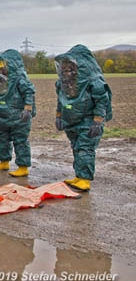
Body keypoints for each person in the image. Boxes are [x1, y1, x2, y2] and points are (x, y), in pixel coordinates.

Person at [55, 45, 112, 192]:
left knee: (85, 149)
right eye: (65, 69)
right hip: (72, 121)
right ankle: (79, 176)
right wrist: (59, 116)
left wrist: (98, 121)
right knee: (76, 147)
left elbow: (102, 101)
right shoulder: (65, 83)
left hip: (89, 121)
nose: (67, 72)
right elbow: (61, 100)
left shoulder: (94, 81)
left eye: (70, 69)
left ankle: (85, 180)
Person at [0, 50, 36, 177]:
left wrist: (27, 109)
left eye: (0, 69)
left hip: (19, 118)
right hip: (3, 118)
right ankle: (4, 162)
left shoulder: (19, 79)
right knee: (1, 139)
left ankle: (23, 167)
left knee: (20, 141)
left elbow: (29, 92)